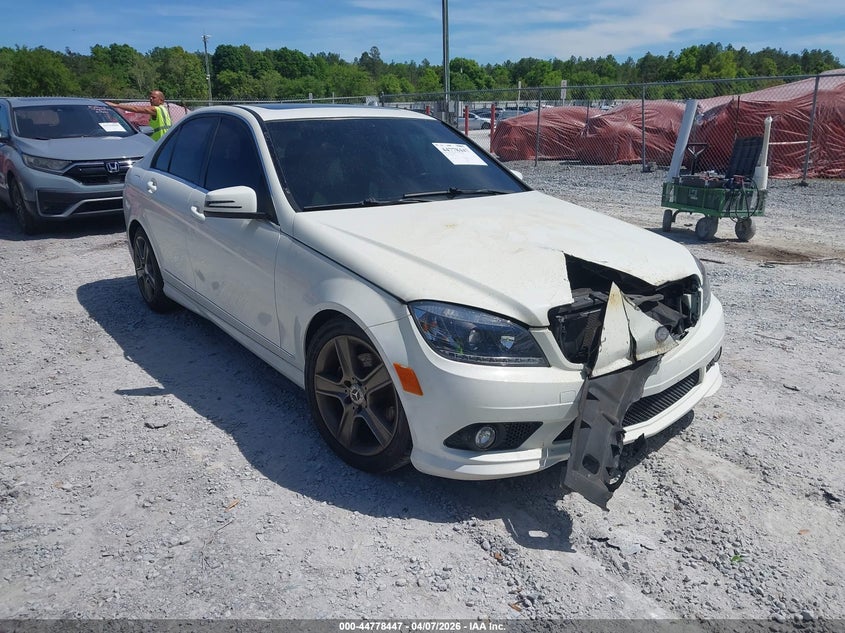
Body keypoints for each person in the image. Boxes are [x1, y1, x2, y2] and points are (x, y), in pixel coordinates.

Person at [106, 90, 172, 141]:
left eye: (154, 97)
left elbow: (136, 109)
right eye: (150, 97)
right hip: (165, 140)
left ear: (161, 101)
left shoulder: (156, 109)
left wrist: (116, 105)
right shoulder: (164, 109)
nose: (150, 99)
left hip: (159, 142)